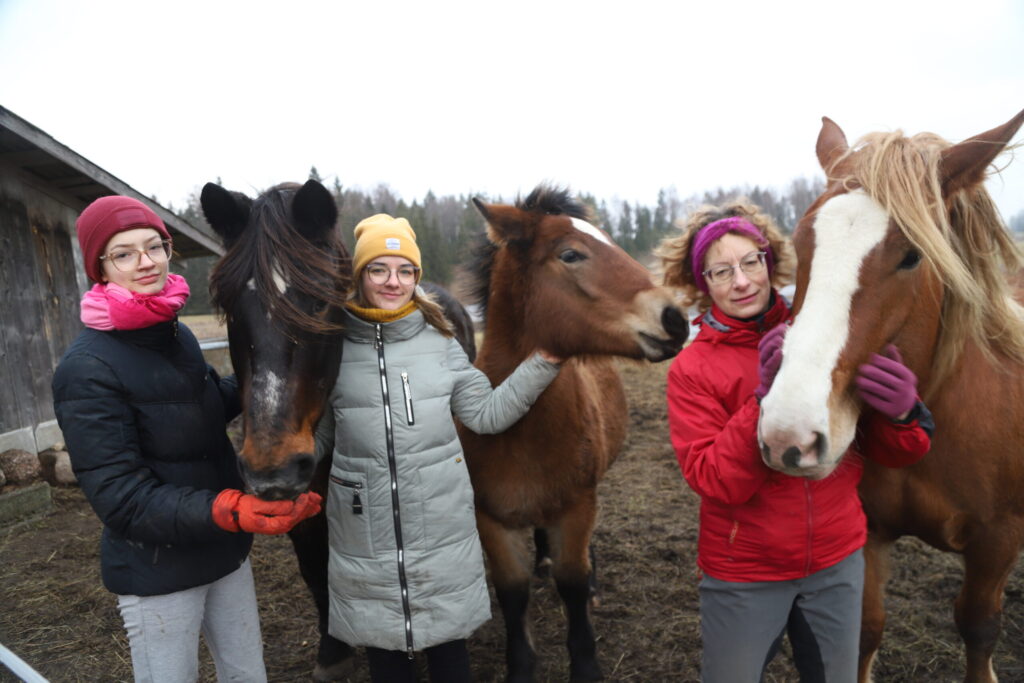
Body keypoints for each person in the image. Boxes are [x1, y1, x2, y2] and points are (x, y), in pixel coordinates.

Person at [656, 201, 933, 683]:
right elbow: (713, 480)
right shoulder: (692, 369)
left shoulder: (826, 336)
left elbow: (891, 453)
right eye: (720, 272)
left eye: (749, 263)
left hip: (837, 562)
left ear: (769, 262)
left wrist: (905, 414)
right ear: (703, 284)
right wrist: (762, 402)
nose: (740, 282)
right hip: (744, 573)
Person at [51, 195, 322, 683]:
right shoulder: (87, 369)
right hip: (158, 573)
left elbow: (202, 403)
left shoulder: (175, 336)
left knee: (248, 676)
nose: (145, 262)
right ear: (100, 267)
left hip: (224, 554)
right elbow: (120, 498)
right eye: (124, 253)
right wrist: (230, 510)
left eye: (154, 246)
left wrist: (276, 394)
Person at [314, 214, 562, 683]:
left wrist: (543, 362)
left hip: (440, 527)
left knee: (452, 659)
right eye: (379, 269)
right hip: (365, 533)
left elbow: (487, 414)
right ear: (360, 275)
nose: (394, 282)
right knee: (387, 661)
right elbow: (319, 433)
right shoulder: (332, 345)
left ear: (417, 277)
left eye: (405, 270)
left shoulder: (440, 339)